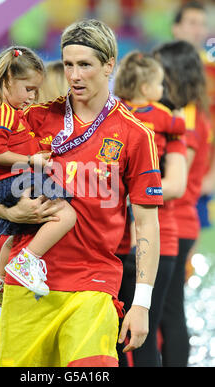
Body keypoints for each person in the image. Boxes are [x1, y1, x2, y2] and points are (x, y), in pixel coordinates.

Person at [0, 19, 163, 367]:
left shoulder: (135, 134)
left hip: (93, 285)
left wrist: (142, 303)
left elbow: (147, 224)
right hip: (27, 287)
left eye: (86, 65)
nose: (75, 75)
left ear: (109, 65)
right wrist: (10, 214)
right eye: (70, 63)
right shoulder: (36, 118)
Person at [0, 45, 76, 302]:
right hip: (7, 181)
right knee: (66, 213)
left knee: (21, 232)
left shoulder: (12, 113)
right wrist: (31, 160)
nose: (33, 97)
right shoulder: (2, 114)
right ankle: (26, 262)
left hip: (7, 180)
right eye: (29, 89)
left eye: (36, 90)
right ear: (8, 80)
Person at [114, 51, 187, 366]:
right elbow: (180, 125)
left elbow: (178, 184)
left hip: (140, 236)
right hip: (126, 239)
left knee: (123, 335)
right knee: (142, 334)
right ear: (146, 87)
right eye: (159, 84)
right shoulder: (164, 119)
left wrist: (129, 193)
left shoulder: (115, 115)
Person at [153, 40, 212, 367]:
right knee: (167, 312)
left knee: (166, 314)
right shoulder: (190, 112)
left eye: (161, 68)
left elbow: (178, 175)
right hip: (178, 219)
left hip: (174, 219)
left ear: (177, 72)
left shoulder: (185, 117)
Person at [172, 0, 215, 229]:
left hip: (199, 174)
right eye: (191, 23)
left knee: (189, 245)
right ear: (176, 28)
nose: (198, 30)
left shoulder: (213, 71)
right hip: (162, 171)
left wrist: (212, 176)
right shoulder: (156, 68)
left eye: (202, 24)